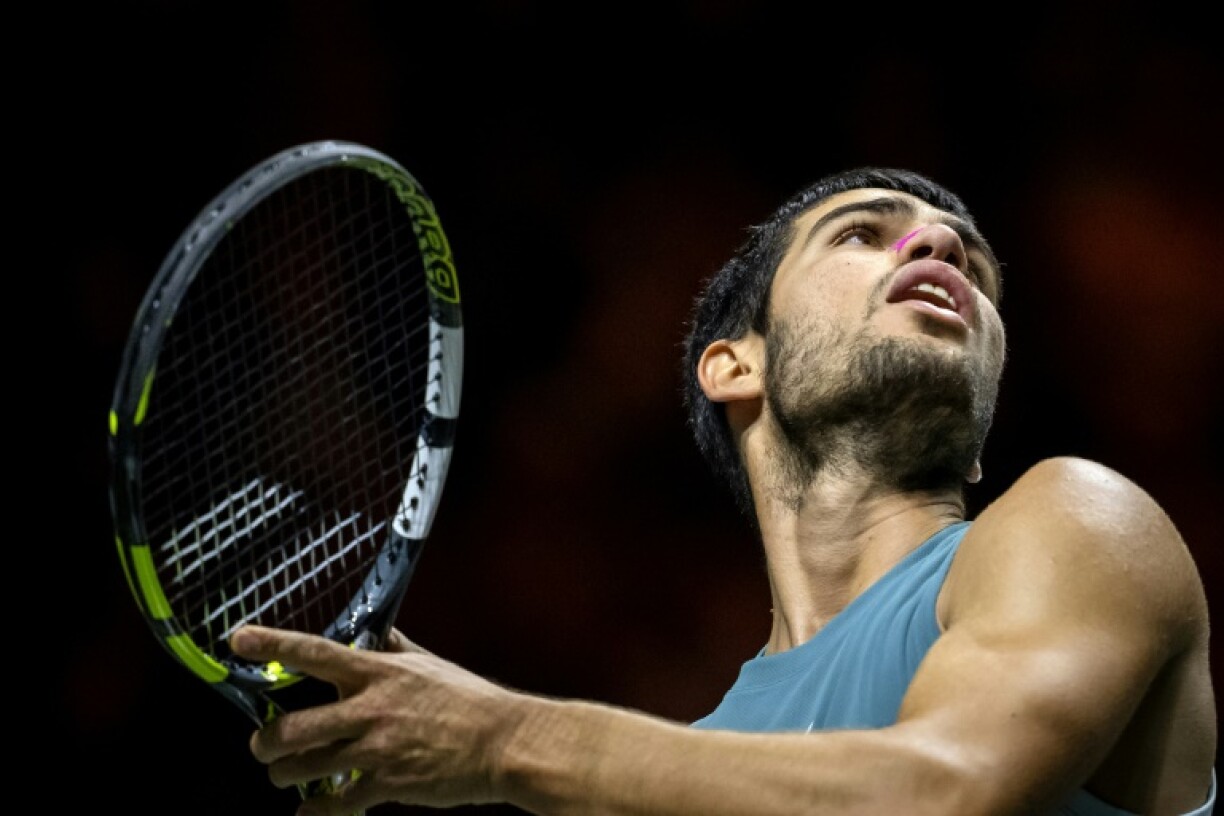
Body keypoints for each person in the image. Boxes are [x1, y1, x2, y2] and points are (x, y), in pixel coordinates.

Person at [230, 167, 1217, 815]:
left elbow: (947, 793)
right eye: (861, 233)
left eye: (975, 267)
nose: (940, 248)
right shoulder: (705, 768)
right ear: (733, 367)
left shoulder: (1083, 520)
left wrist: (506, 737)